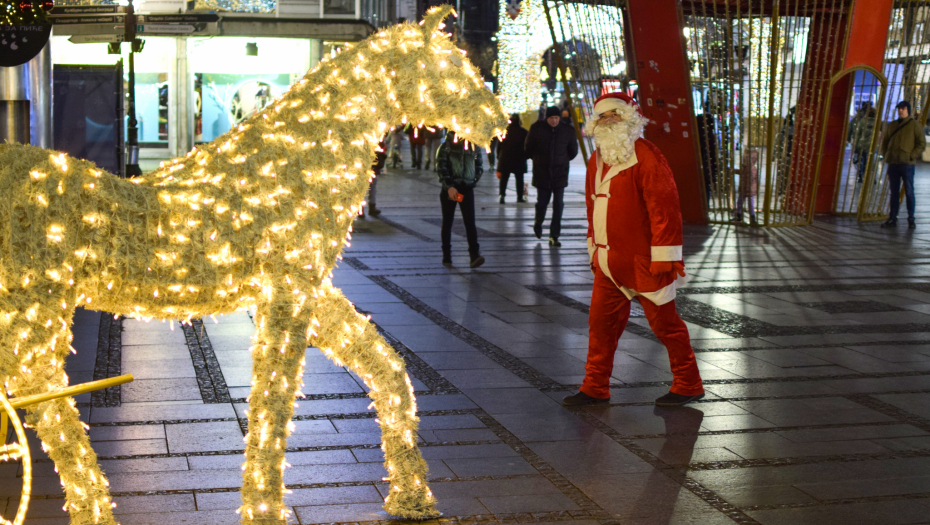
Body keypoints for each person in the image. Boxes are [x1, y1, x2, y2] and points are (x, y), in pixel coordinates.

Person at [562, 91, 704, 407]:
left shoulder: (648, 155)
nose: (608, 120)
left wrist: (666, 256)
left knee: (666, 326)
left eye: (615, 114)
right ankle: (594, 387)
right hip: (609, 262)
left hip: (644, 262)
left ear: (630, 117)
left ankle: (688, 382)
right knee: (600, 326)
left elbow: (665, 209)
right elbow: (591, 207)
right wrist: (594, 250)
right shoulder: (595, 159)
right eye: (602, 115)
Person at [525, 106, 579, 246]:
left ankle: (554, 236)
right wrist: (538, 160)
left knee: (558, 205)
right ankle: (538, 222)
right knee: (542, 203)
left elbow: (573, 151)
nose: (554, 121)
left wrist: (562, 159)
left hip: (560, 173)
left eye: (556, 118)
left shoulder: (568, 130)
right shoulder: (537, 128)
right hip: (542, 173)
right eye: (551, 118)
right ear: (546, 118)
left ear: (559, 118)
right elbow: (528, 148)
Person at [437, 131, 485, 268]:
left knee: (470, 222)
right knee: (448, 221)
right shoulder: (446, 146)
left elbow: (479, 166)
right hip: (451, 190)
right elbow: (441, 168)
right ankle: (447, 256)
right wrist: (450, 187)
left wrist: (472, 181)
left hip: (466, 189)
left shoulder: (473, 146)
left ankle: (474, 255)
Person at [881, 100, 926, 229]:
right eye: (899, 108)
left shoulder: (914, 125)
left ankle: (911, 218)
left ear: (908, 110)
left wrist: (911, 155)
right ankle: (892, 218)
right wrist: (886, 154)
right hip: (893, 163)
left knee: (909, 192)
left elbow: (921, 143)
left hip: (907, 164)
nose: (900, 110)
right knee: (893, 192)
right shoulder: (891, 125)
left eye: (903, 108)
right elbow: (885, 141)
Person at [496, 113, 529, 203]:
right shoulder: (524, 132)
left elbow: (499, 146)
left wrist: (499, 156)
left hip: (506, 158)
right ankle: (519, 197)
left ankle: (502, 195)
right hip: (519, 158)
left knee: (504, 178)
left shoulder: (504, 131)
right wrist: (526, 156)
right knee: (519, 179)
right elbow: (528, 146)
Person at [848, 102, 877, 183]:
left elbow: (857, 133)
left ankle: (861, 176)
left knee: (862, 161)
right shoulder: (877, 122)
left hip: (862, 145)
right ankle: (873, 178)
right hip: (872, 146)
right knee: (872, 162)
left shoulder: (861, 120)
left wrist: (855, 145)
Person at [361, 139, 386, 218]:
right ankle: (370, 208)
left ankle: (362, 209)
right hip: (370, 166)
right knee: (370, 188)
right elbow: (383, 148)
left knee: (363, 189)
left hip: (366, 166)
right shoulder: (376, 138)